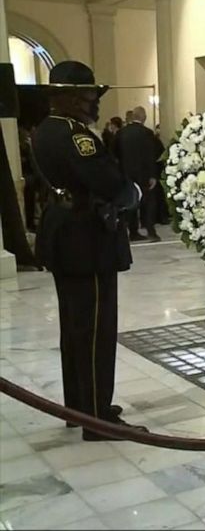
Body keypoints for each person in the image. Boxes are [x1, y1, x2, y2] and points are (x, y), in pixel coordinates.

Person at [30, 60, 147, 440]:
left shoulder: (46, 129)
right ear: (70, 97)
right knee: (95, 330)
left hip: (66, 234)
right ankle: (98, 420)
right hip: (86, 239)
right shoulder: (76, 136)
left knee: (75, 328)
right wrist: (133, 193)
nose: (94, 102)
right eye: (89, 95)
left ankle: (79, 407)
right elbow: (108, 182)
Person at [113, 106, 163, 242]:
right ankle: (151, 230)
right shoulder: (147, 133)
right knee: (149, 202)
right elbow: (153, 154)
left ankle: (133, 232)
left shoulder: (121, 133)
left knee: (131, 202)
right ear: (143, 117)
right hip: (144, 173)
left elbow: (114, 153)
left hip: (126, 173)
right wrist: (153, 174)